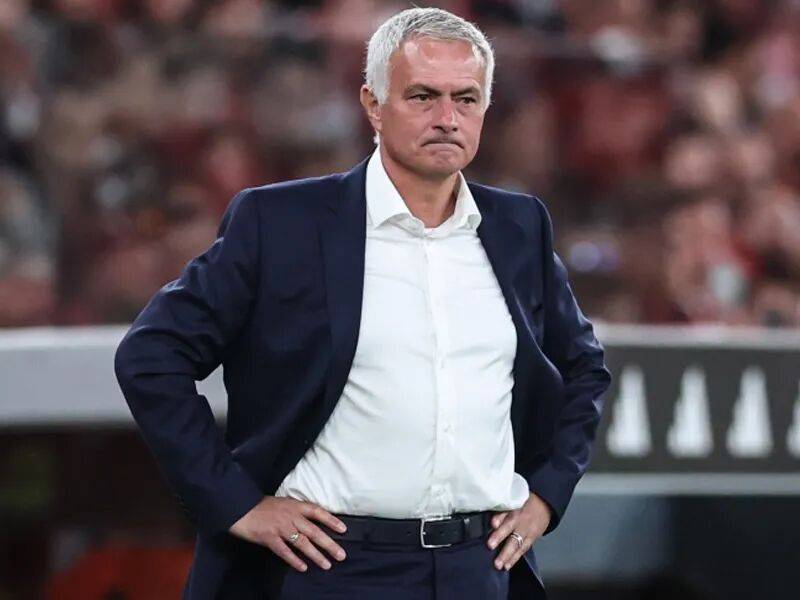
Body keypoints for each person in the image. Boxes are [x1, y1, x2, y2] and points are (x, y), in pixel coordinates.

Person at [114, 7, 611, 600]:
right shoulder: (281, 223)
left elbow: (584, 367)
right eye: (423, 96)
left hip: (480, 569)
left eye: (466, 99)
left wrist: (548, 494)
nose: (447, 118)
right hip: (330, 567)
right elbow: (151, 356)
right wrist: (235, 503)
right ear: (373, 105)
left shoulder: (519, 227)